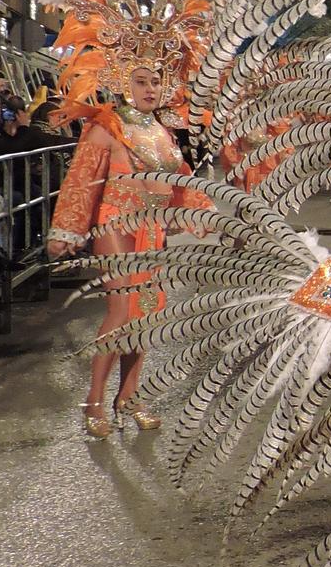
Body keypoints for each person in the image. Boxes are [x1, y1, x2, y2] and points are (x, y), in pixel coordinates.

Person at [46, 64, 211, 437]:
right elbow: (82, 180)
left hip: (150, 228)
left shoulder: (161, 130)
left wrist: (204, 214)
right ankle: (94, 401)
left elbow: (179, 177)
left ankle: (129, 397)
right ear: (123, 84)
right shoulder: (106, 126)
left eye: (156, 81)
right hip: (115, 222)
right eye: (141, 81)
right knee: (121, 309)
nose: (150, 89)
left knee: (146, 314)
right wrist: (68, 229)